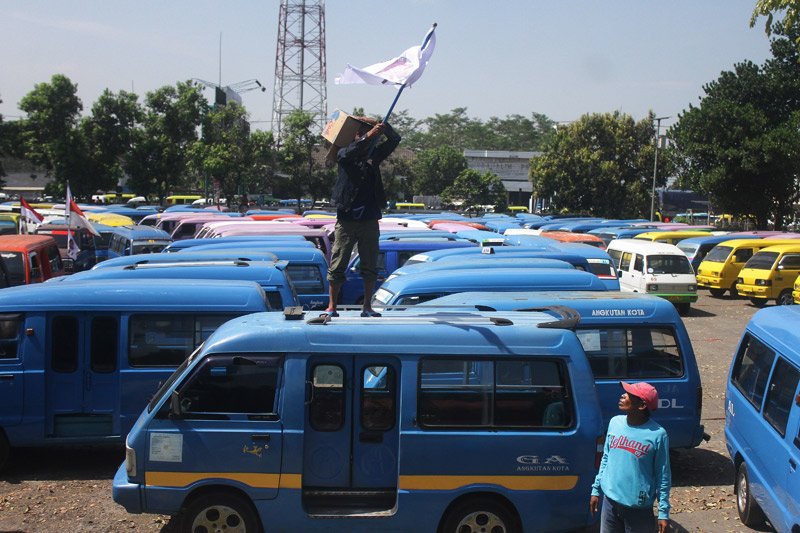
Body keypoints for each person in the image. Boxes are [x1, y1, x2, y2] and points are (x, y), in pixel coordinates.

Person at [325, 116, 401, 317]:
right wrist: (369, 134)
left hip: (369, 218)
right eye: (362, 131)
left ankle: (367, 307)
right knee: (338, 264)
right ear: (355, 135)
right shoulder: (344, 152)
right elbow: (352, 151)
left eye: (368, 131)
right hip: (347, 219)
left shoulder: (374, 156)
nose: (368, 135)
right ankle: (332, 306)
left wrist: (384, 128)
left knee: (370, 265)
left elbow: (395, 140)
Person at [590, 381, 672, 533]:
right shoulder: (615, 423)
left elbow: (663, 475)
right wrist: (596, 490)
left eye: (629, 394)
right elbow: (606, 458)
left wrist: (663, 512)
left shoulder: (658, 435)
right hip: (610, 503)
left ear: (641, 405)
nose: (623, 395)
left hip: (638, 510)